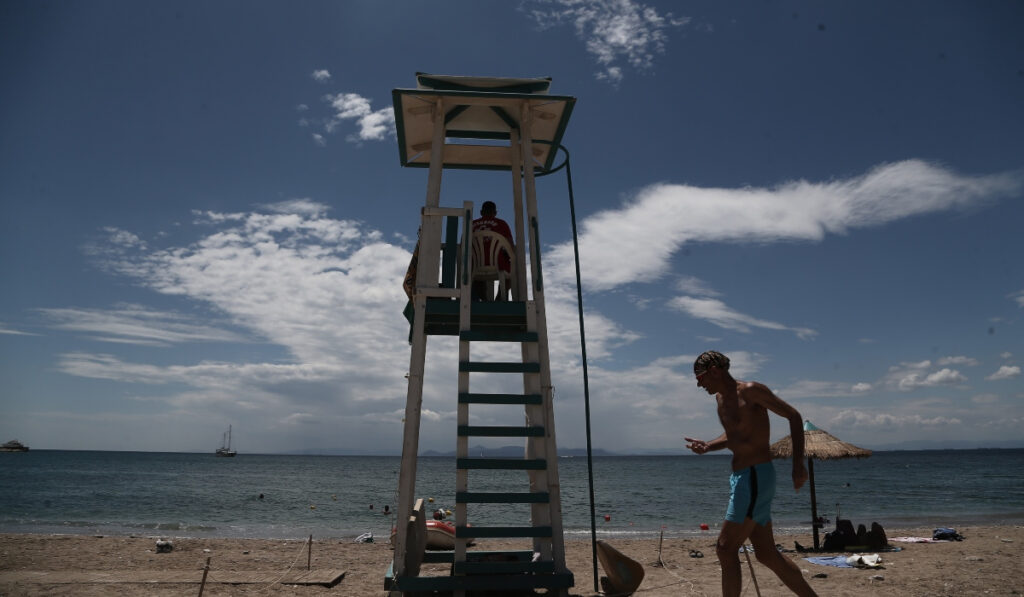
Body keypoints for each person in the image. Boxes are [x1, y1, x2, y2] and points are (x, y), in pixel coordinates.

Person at [684, 350, 817, 597]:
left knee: (725, 548)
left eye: (700, 378)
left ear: (714, 370)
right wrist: (708, 446)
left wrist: (797, 465)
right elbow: (735, 436)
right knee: (767, 554)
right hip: (744, 479)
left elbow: (794, 416)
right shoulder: (720, 400)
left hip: (755, 476)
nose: (698, 384)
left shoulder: (751, 391)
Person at [471, 201, 514, 300]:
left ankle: (484, 299)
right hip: (498, 263)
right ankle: (500, 297)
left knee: (476, 273)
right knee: (513, 268)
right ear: (495, 213)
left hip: (475, 264)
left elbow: (463, 244)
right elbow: (510, 245)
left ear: (481, 212)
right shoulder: (502, 223)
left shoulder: (472, 224)